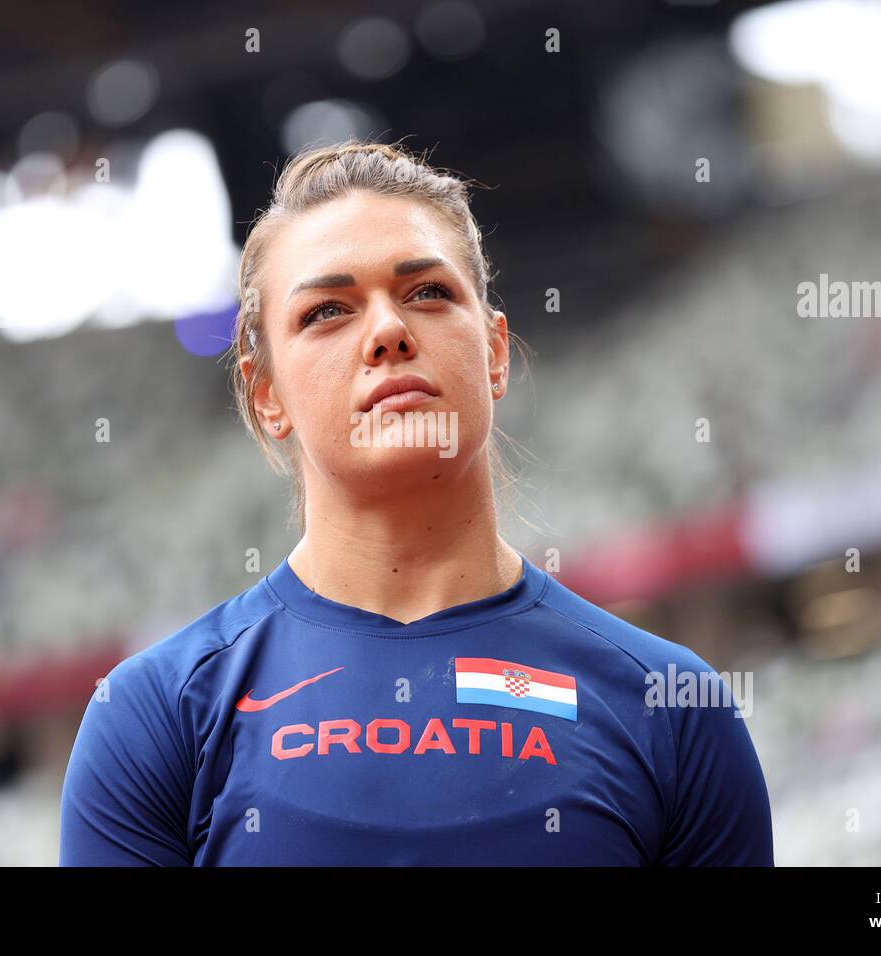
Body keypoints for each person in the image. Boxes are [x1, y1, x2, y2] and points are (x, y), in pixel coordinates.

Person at [59, 139, 773, 865]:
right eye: (327, 311)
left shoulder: (673, 705)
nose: (388, 332)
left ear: (494, 352)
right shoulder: (156, 719)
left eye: (428, 292)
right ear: (266, 395)